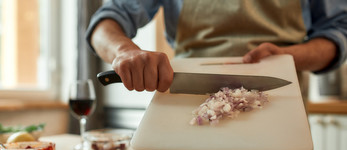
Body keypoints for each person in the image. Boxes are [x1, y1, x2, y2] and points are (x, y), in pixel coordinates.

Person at [85, 0, 347, 93]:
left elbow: (339, 30)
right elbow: (104, 24)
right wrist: (124, 51)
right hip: (187, 115)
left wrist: (290, 56)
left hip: (281, 106)